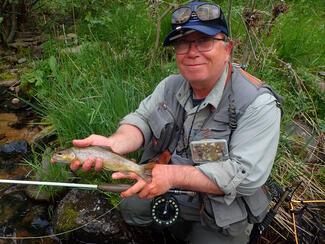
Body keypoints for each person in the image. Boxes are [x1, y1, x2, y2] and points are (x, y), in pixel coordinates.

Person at [57, 1, 282, 243]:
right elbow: (141, 119)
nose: (192, 52)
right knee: (132, 208)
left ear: (228, 49)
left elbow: (245, 177)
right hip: (165, 184)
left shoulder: (258, 103)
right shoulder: (170, 86)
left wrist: (173, 176)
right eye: (183, 43)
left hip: (222, 208)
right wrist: (114, 144)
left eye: (204, 41)